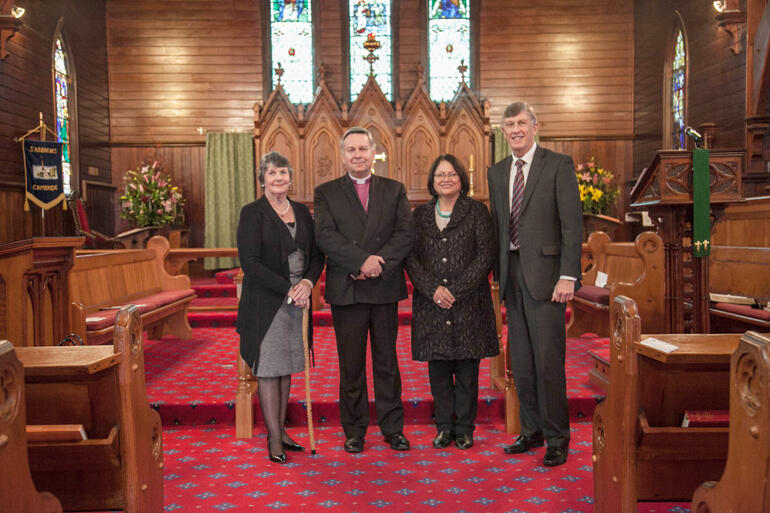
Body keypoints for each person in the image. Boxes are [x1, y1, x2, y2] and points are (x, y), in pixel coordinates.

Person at [487, 102, 582, 467]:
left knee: (548, 362)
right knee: (522, 362)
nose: (515, 129)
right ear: (503, 131)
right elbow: (499, 228)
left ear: (535, 126)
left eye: (521, 123)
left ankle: (558, 437)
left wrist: (568, 275)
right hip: (512, 275)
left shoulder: (557, 165)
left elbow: (572, 225)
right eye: (509, 124)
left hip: (548, 278)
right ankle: (531, 431)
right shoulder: (497, 173)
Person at [314, 126, 414, 453]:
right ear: (343, 156)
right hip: (348, 289)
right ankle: (354, 430)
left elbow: (404, 234)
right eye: (351, 150)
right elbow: (326, 236)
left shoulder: (394, 189)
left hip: (383, 286)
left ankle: (392, 427)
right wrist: (361, 262)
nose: (357, 155)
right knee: (351, 365)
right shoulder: (326, 192)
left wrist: (377, 262)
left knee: (387, 363)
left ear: (374, 153)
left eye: (363, 149)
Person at [236, 151, 325, 464]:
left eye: (283, 173)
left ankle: (283, 431)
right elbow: (250, 263)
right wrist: (287, 287)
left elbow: (317, 256)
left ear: (290, 177)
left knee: (286, 367)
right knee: (270, 370)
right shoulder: (252, 213)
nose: (278, 179)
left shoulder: (302, 212)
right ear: (262, 180)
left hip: (298, 301)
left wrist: (307, 284)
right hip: (267, 302)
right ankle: (273, 437)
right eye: (272, 174)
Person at [405, 154, 498, 450]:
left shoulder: (476, 211)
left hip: (469, 302)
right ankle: (444, 427)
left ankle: (465, 428)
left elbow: (485, 255)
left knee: (468, 369)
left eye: (452, 174)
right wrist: (433, 289)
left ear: (462, 179)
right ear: (432, 181)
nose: (446, 179)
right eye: (440, 175)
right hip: (431, 303)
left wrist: (455, 290)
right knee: (439, 369)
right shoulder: (419, 215)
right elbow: (411, 258)